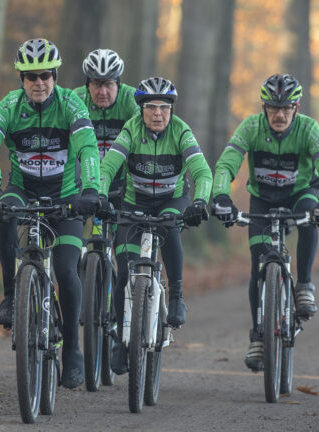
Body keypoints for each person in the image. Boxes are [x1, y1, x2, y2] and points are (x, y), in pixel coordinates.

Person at [0, 38, 100, 389]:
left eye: (44, 75)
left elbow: (88, 149)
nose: (38, 83)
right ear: (20, 79)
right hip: (23, 189)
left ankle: (72, 350)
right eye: (30, 77)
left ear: (54, 76)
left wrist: (92, 191)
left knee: (68, 272)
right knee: (5, 212)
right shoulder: (8, 106)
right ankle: (12, 294)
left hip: (66, 196)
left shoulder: (71, 105)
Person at [211, 73, 319, 371]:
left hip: (299, 195)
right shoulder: (251, 127)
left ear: (297, 108)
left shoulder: (309, 128)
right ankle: (258, 334)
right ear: (263, 108)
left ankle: (305, 284)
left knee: (310, 217)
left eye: (286, 108)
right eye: (273, 109)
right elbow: (228, 161)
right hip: (263, 199)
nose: (279, 115)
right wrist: (220, 196)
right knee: (258, 262)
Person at [98, 77, 212, 374]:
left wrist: (200, 201)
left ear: (172, 109)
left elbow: (202, 171)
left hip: (171, 202)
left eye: (164, 107)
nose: (157, 113)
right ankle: (120, 340)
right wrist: (98, 193)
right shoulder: (131, 129)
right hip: (134, 204)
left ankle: (176, 297)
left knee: (171, 228)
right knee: (124, 268)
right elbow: (108, 166)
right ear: (141, 109)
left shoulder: (181, 131)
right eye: (151, 107)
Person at [73, 48, 139, 210]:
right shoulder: (77, 98)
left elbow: (142, 127)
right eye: (96, 84)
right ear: (88, 85)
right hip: (84, 175)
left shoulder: (131, 98)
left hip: (121, 175)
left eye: (109, 84)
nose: (102, 92)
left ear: (118, 84)